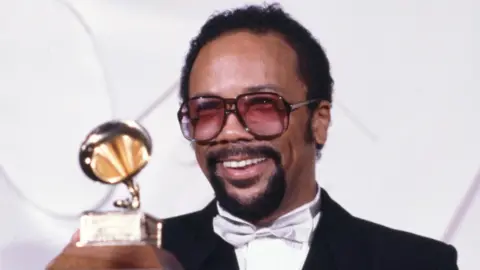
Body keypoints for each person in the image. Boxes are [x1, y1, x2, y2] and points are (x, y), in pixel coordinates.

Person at [72, 3, 459, 270]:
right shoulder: (138, 258)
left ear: (318, 120)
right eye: (206, 111)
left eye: (261, 106)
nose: (231, 132)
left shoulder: (415, 263)